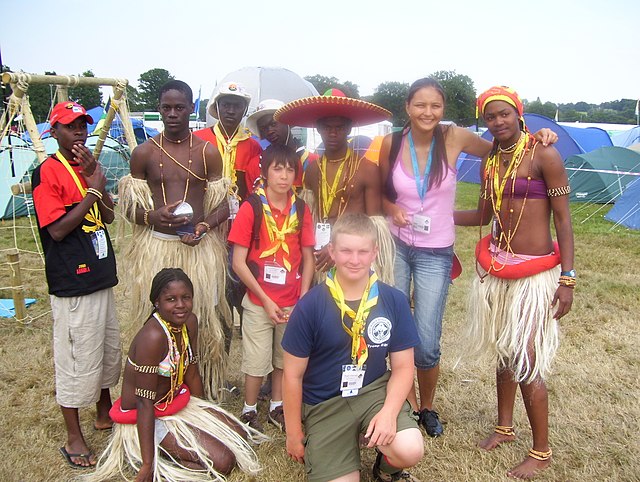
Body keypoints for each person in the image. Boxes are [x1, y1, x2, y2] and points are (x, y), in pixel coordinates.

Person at [379, 77, 558, 438]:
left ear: (444, 110)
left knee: (427, 340)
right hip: (396, 246)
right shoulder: (390, 142)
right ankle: (406, 405)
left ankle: (427, 406)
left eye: (435, 106)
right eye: (420, 105)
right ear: (407, 108)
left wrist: (537, 136)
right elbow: (380, 192)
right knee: (395, 330)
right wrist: (390, 207)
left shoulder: (456, 137)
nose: (427, 112)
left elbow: (503, 145)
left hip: (436, 252)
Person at [454, 86, 574, 479]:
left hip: (535, 274)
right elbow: (483, 216)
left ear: (518, 114)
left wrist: (567, 279)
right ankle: (504, 428)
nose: (498, 122)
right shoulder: (491, 161)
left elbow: (563, 222)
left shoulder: (545, 154)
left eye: (504, 114)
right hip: (498, 269)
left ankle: (541, 452)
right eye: (490, 117)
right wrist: (437, 213)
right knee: (504, 353)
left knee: (526, 359)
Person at [282, 213, 424, 482]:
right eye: (346, 251)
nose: (354, 259)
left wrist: (389, 413)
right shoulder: (311, 305)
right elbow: (292, 375)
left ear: (375, 253)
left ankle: (385, 467)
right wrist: (293, 433)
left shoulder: (393, 300)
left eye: (362, 251)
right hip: (325, 404)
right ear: (332, 252)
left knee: (410, 449)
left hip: (373, 392)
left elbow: (404, 368)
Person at [90, 268, 266, 482]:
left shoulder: (189, 322)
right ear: (157, 302)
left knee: (240, 434)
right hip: (144, 417)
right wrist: (148, 465)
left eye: (186, 298)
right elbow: (144, 403)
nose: (180, 305)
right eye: (171, 299)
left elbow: (191, 371)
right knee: (223, 461)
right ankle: (156, 458)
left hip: (174, 403)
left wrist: (204, 414)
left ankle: (180, 446)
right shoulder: (152, 338)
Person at [119, 80, 231, 400]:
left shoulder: (208, 153)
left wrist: (204, 227)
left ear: (190, 108)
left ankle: (202, 392)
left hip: (198, 252)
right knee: (154, 320)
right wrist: (152, 217)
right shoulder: (143, 153)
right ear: (159, 108)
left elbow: (225, 205)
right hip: (157, 248)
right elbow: (129, 208)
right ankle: (154, 391)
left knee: (200, 321)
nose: (172, 114)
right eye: (166, 108)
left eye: (179, 107)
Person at [31, 101, 121, 468]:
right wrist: (93, 192)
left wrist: (97, 183)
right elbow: (57, 229)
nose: (80, 133)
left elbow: (109, 218)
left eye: (83, 125)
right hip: (72, 282)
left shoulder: (89, 168)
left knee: (105, 350)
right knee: (74, 359)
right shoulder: (46, 173)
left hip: (101, 276)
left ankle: (104, 412)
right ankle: (73, 437)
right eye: (70, 127)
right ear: (54, 133)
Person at [228, 144, 315, 433]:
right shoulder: (251, 207)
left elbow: (308, 256)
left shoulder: (301, 209)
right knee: (255, 360)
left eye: (290, 169)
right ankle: (249, 409)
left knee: (283, 358)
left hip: (291, 301)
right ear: (265, 173)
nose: (285, 176)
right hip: (257, 299)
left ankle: (277, 406)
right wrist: (264, 300)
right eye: (278, 168)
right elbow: (239, 263)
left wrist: (303, 297)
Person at [275, 91, 396, 282]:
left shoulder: (367, 169)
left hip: (354, 255)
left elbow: (374, 224)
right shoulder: (313, 170)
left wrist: (338, 249)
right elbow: (310, 217)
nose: (332, 133)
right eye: (327, 127)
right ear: (318, 128)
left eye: (339, 127)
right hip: (321, 255)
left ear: (349, 128)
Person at [193, 81, 261, 203]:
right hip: (202, 213)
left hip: (241, 214)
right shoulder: (197, 139)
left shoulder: (253, 146)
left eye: (237, 106)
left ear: (245, 110)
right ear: (217, 107)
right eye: (226, 105)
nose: (231, 111)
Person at [245, 98, 319, 191]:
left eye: (273, 124)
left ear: (288, 122)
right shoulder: (255, 165)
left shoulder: (313, 162)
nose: (269, 131)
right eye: (264, 128)